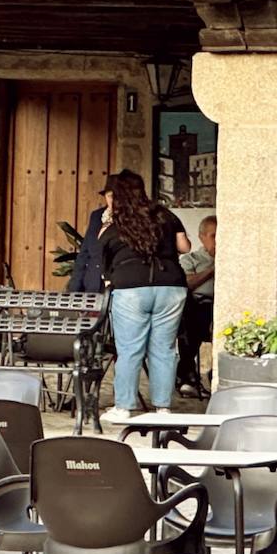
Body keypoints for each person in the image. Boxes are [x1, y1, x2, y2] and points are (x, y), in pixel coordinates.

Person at [98, 170, 191, 423]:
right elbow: (185, 247)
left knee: (129, 349)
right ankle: (163, 408)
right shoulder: (165, 215)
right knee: (164, 349)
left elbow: (102, 250)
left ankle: (124, 407)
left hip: (130, 289)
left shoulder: (115, 222)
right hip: (170, 286)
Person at [177, 215, 217, 396]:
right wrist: (212, 270)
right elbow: (186, 284)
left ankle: (196, 374)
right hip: (198, 308)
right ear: (202, 237)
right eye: (214, 236)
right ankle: (187, 376)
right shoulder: (191, 259)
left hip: (220, 309)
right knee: (189, 310)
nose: (219, 241)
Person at [67, 176, 114, 293]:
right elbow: (84, 252)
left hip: (115, 286)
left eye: (116, 197)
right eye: (110, 196)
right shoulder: (96, 216)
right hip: (92, 285)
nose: (113, 201)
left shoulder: (130, 220)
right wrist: (74, 289)